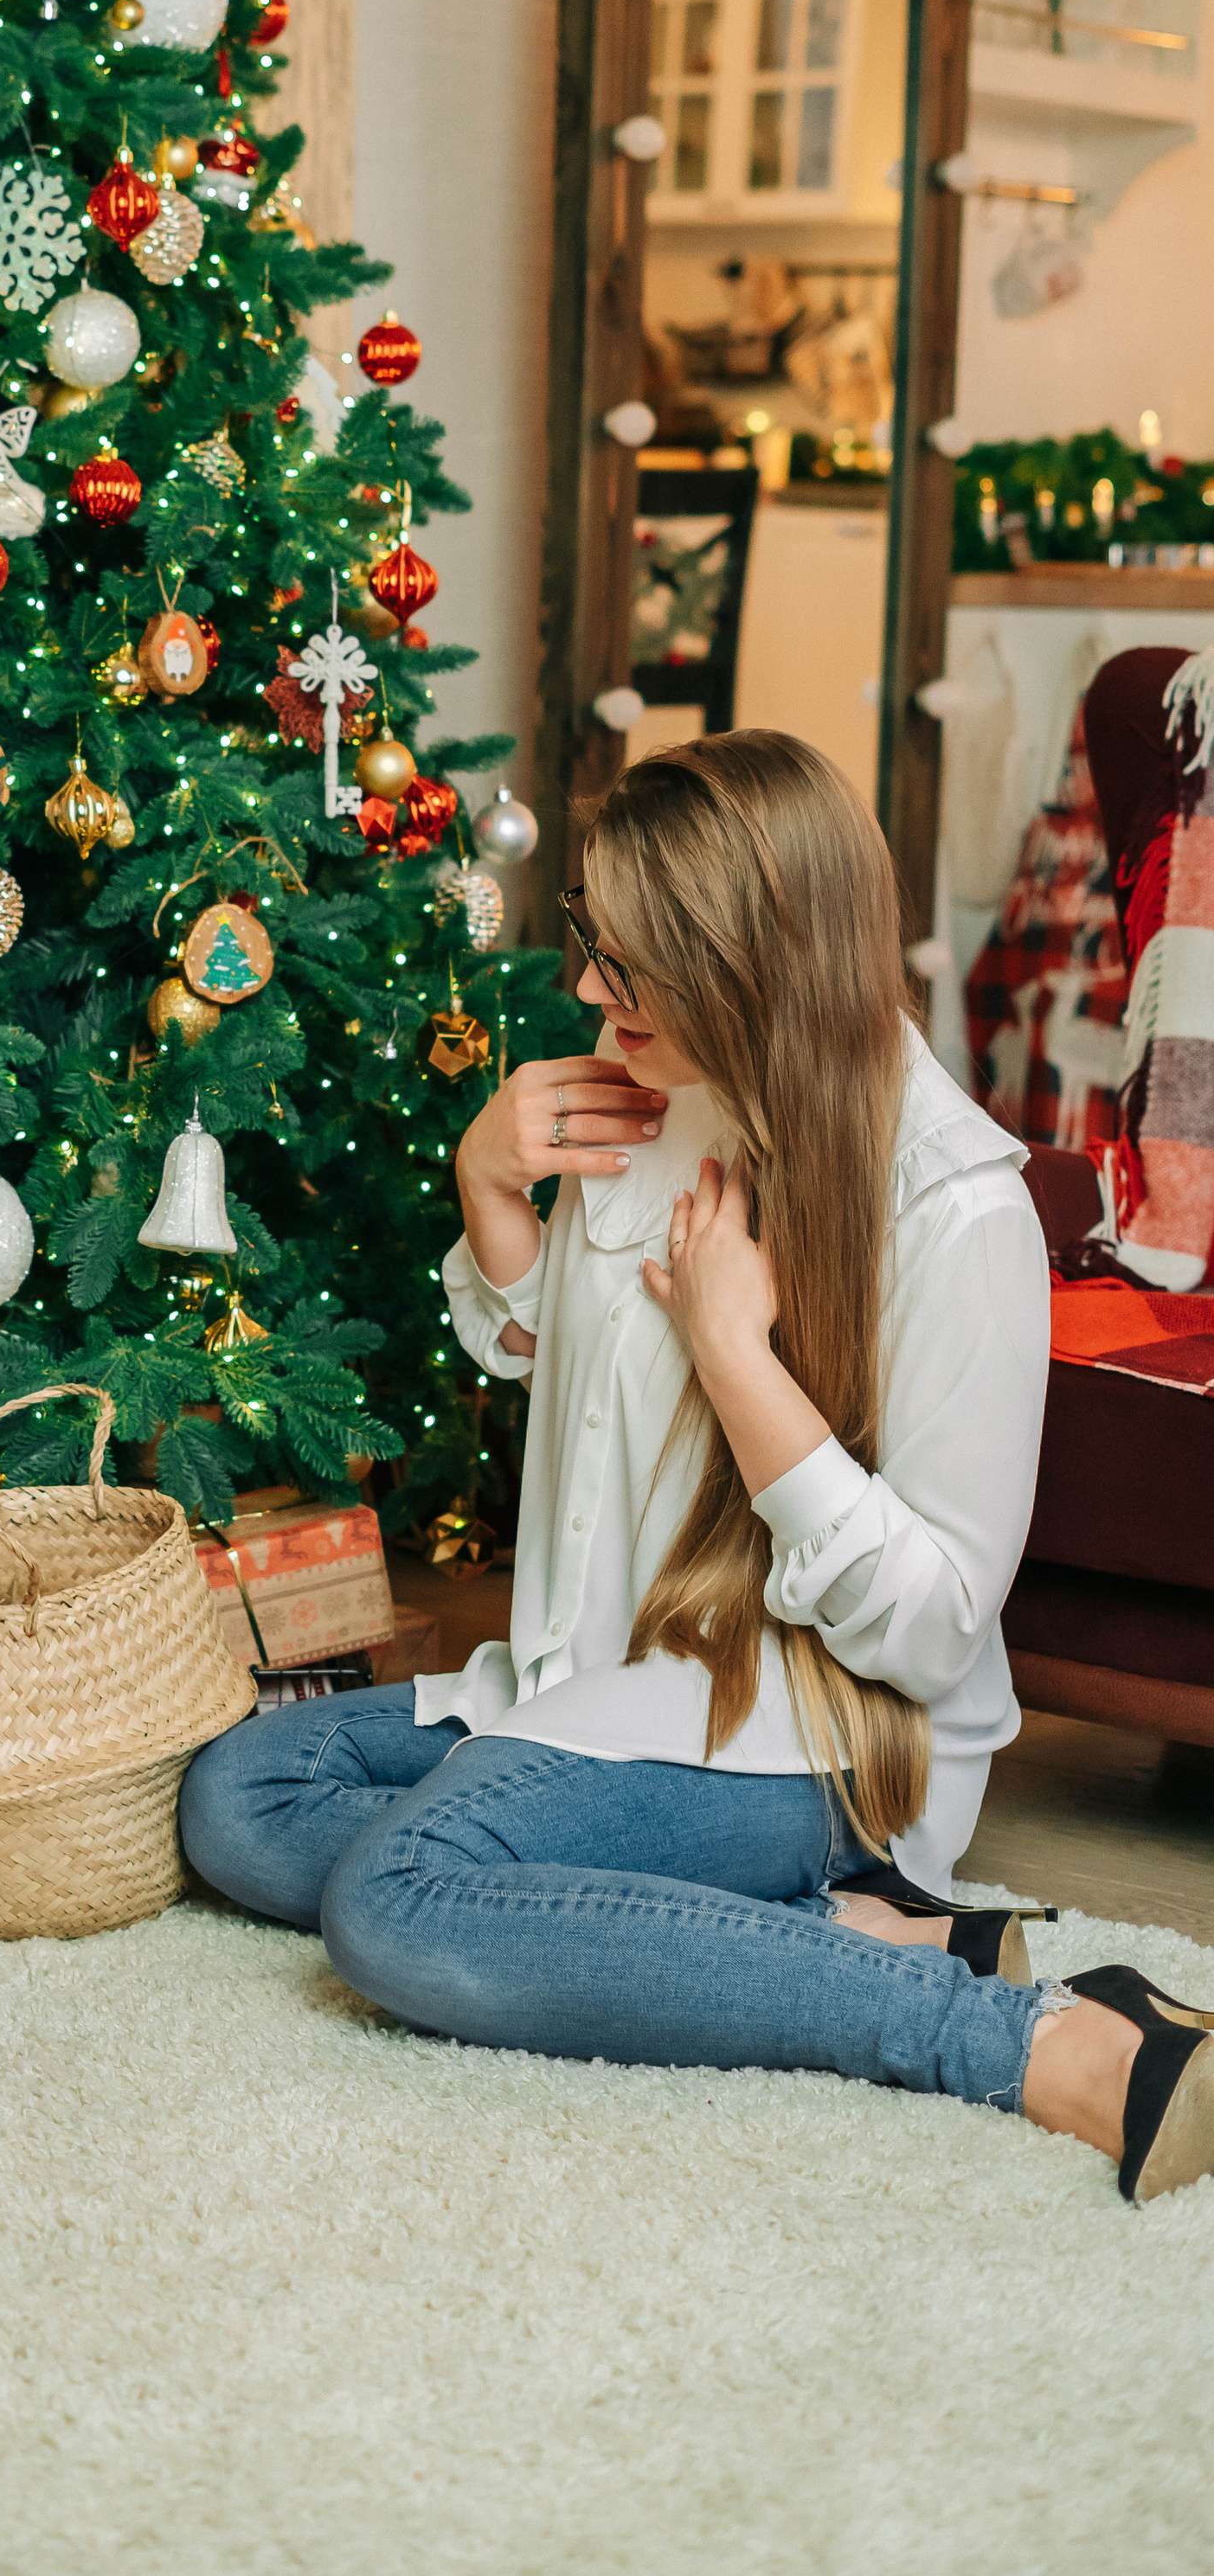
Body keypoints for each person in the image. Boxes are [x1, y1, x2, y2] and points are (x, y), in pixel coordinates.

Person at [181, 733, 1214, 2204]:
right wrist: (490, 1189)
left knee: (398, 1905)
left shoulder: (955, 1208)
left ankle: (1033, 2042)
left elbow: (932, 1623)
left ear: (751, 959)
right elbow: (585, 1380)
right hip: (592, 1682)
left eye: (629, 960)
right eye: (593, 941)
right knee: (241, 1798)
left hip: (818, 1737)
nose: (591, 992)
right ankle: (849, 1931)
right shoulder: (658, 1092)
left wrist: (743, 1362)